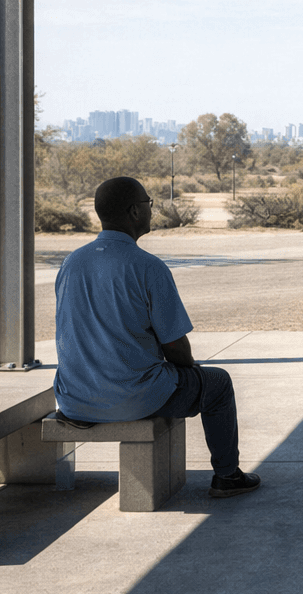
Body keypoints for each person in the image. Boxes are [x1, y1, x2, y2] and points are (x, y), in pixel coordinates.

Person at [53, 176, 260, 499]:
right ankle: (227, 476)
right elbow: (175, 346)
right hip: (133, 398)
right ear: (134, 212)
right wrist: (190, 368)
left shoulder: (71, 263)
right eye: (148, 203)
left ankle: (91, 404)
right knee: (217, 383)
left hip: (74, 400)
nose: (151, 209)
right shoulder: (148, 267)